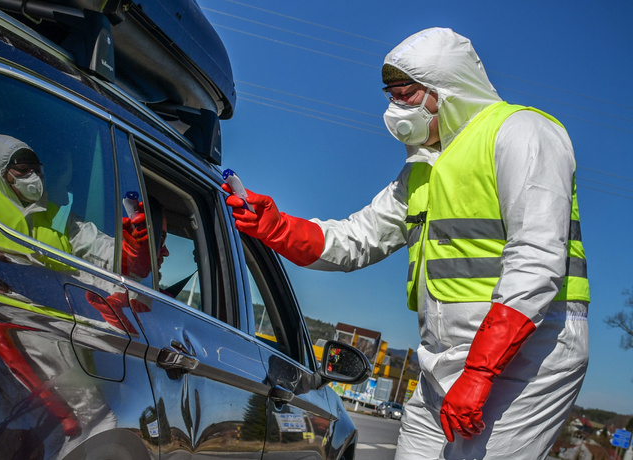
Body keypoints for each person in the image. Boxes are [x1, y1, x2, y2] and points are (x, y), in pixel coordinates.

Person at [223, 27, 589, 459]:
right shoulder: (421, 171)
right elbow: (355, 238)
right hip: (445, 359)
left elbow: (536, 261)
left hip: (529, 353)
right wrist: (275, 226)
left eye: (407, 95)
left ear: (447, 91)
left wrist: (480, 371)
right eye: (390, 95)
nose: (395, 108)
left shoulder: (522, 133)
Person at [0, 134, 151, 279]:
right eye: (23, 169)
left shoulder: (60, 217)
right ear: (2, 173)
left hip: (47, 319)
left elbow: (96, 246)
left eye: (36, 169)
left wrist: (129, 253)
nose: (33, 176)